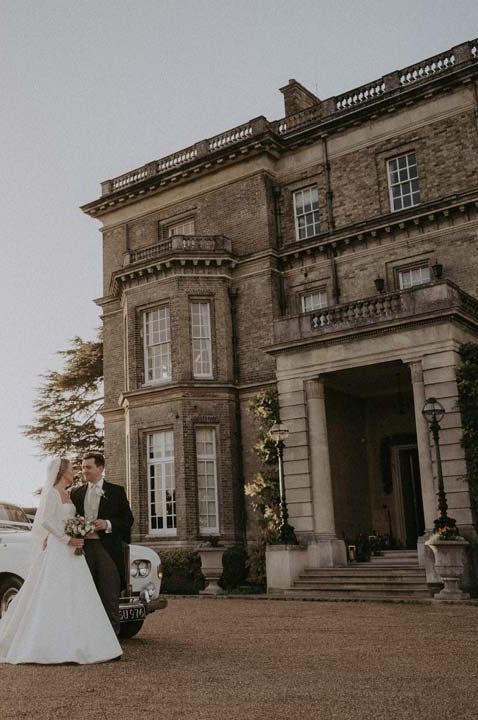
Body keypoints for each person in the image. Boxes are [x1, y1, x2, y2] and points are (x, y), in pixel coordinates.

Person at [0, 457, 122, 664]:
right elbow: (47, 520)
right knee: (54, 594)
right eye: (73, 468)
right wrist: (68, 538)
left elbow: (67, 519)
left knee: (79, 595)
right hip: (61, 548)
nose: (76, 471)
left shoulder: (69, 493)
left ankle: (87, 641)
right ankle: (51, 644)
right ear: (62, 471)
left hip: (74, 548)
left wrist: (78, 530)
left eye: (82, 467)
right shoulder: (53, 493)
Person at [70, 452, 134, 636]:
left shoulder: (116, 491)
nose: (84, 471)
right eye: (83, 467)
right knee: (85, 592)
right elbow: (69, 519)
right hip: (83, 550)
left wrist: (107, 524)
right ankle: (88, 637)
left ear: (100, 468)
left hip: (107, 549)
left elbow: (128, 520)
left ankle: (112, 638)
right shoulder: (76, 493)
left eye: (88, 467)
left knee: (109, 593)